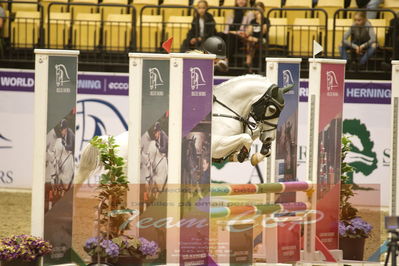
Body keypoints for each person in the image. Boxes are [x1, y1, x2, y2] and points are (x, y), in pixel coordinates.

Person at [244, 2, 269, 72]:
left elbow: (263, 31)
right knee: (250, 40)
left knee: (252, 41)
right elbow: (248, 32)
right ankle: (249, 63)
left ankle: (248, 61)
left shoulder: (266, 20)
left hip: (263, 39)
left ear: (263, 10)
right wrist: (248, 30)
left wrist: (260, 21)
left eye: (259, 10)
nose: (257, 12)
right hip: (253, 40)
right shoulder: (252, 21)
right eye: (256, 10)